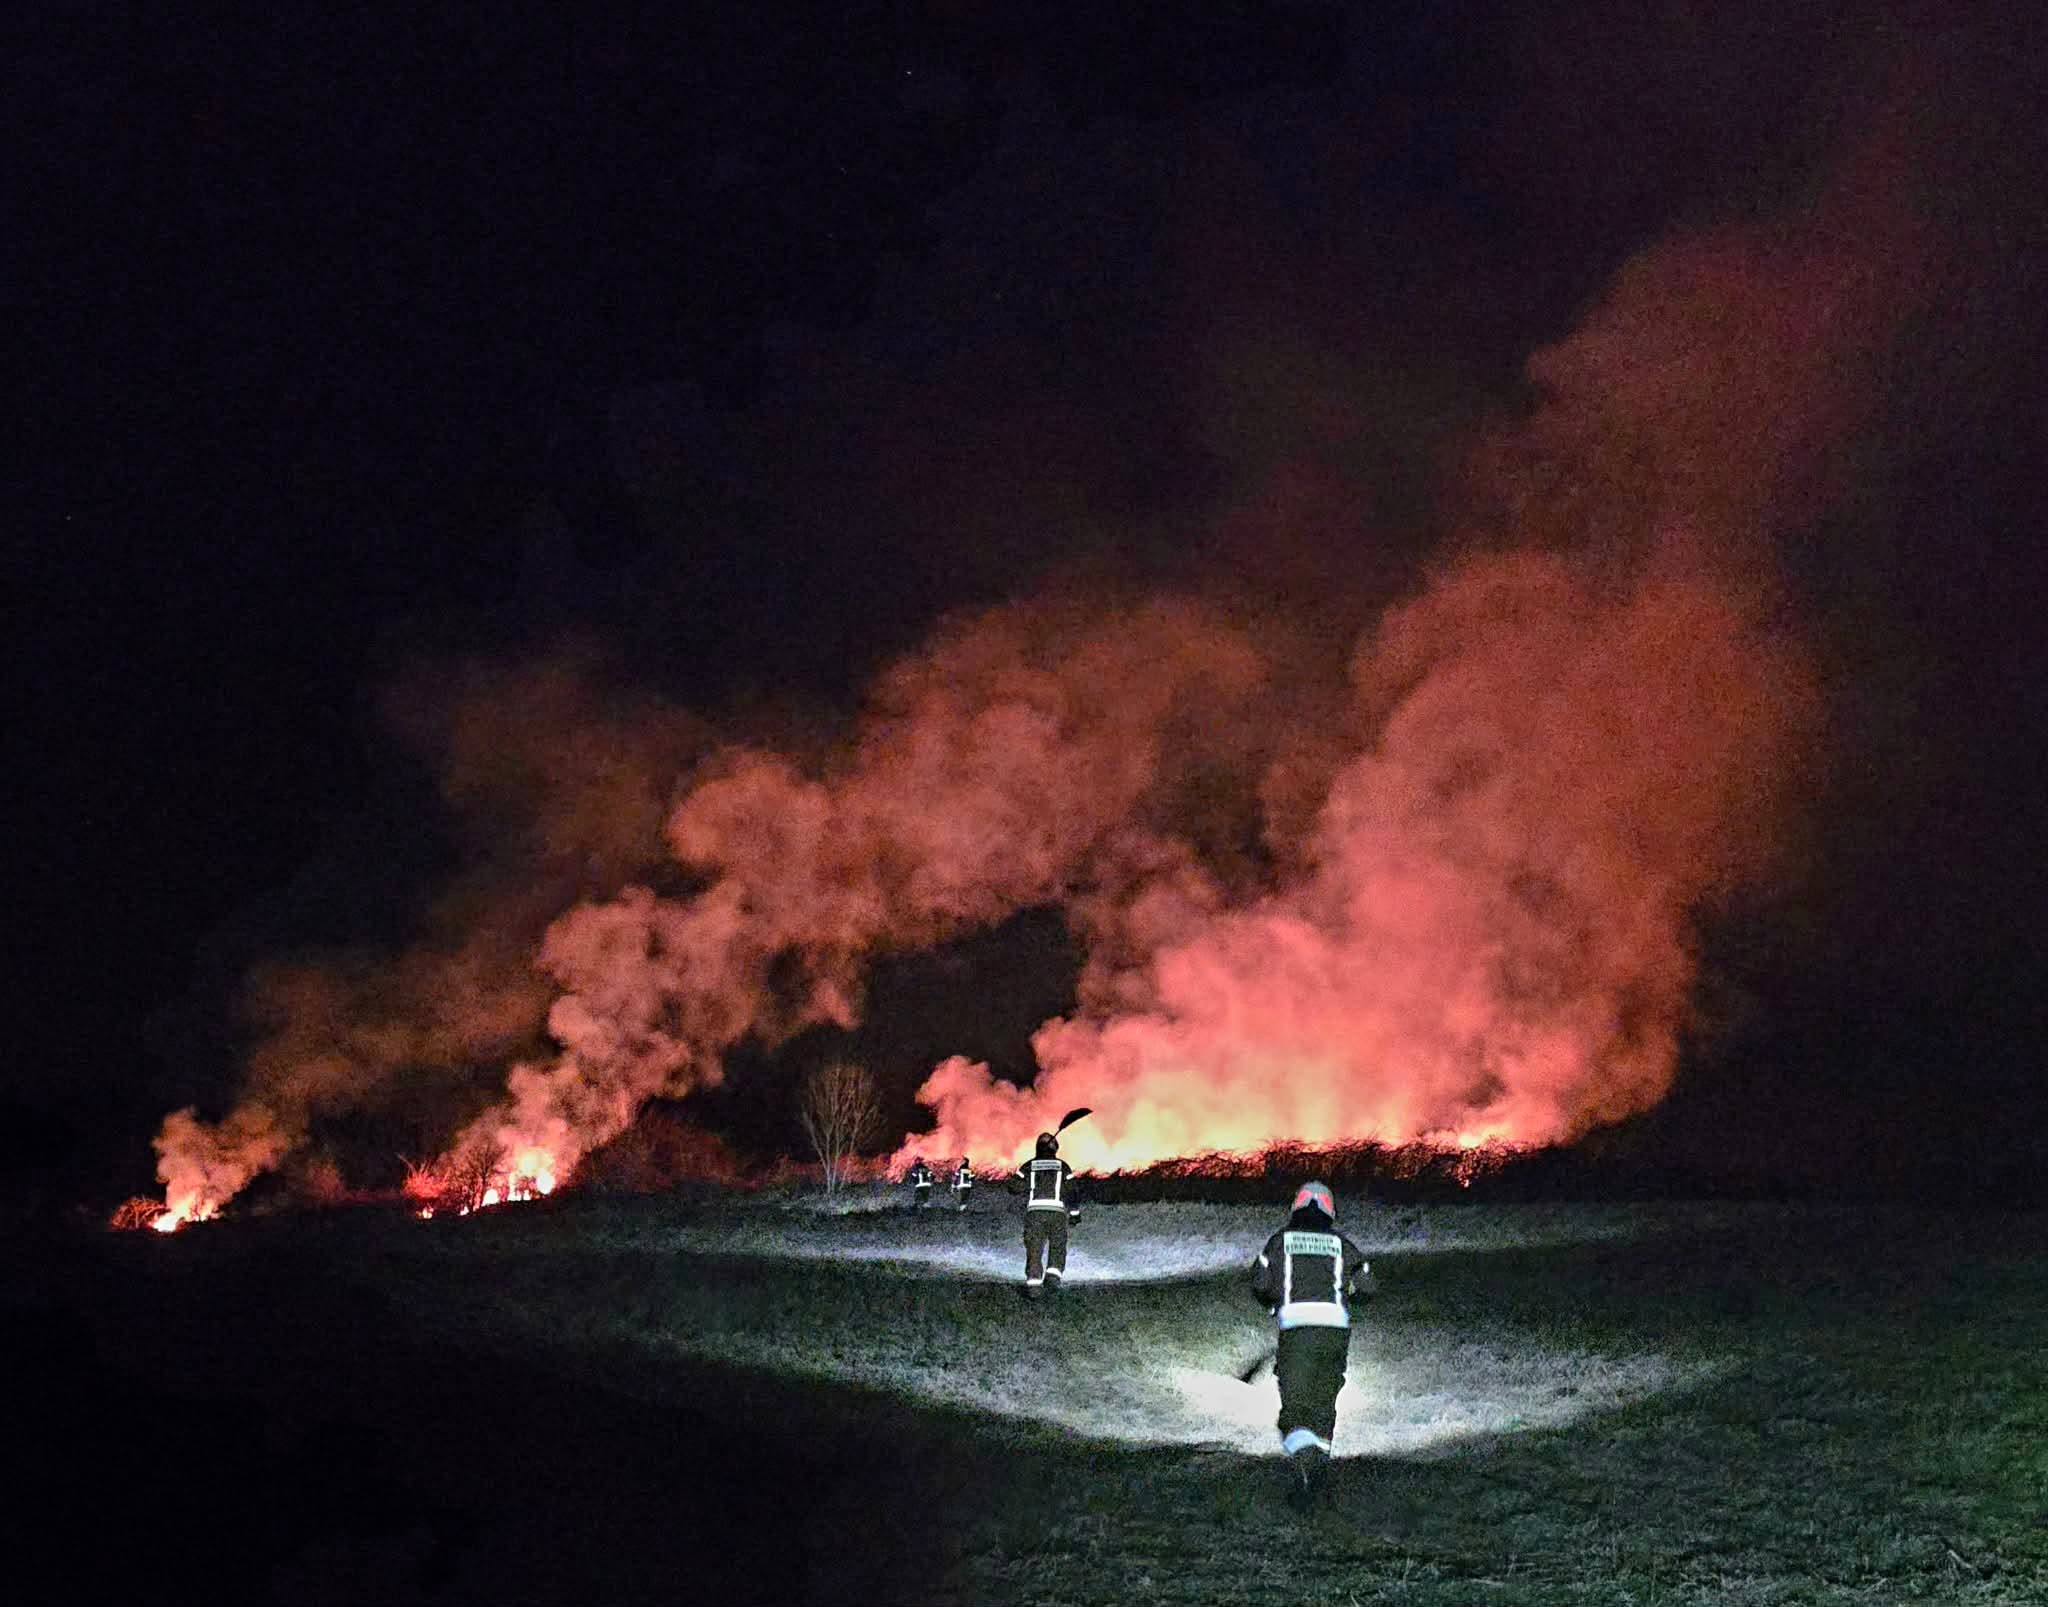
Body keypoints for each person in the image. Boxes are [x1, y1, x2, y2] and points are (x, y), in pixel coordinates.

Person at [1249, 1181, 1372, 1506]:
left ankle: (1306, 1463)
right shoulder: (1342, 1244)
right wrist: (1347, 1296)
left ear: (1297, 1206)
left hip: (1298, 1332)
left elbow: (1259, 1283)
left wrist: (1274, 1304)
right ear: (1330, 1209)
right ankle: (1319, 1471)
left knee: (1294, 1410)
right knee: (1323, 1404)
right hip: (1335, 1334)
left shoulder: (1281, 1241)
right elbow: (1369, 1285)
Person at [1012, 1131, 1078, 1295]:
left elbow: (1013, 1187)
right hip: (1057, 1214)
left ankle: (1034, 1285)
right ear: (1055, 1148)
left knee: (1034, 1247)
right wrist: (1075, 1212)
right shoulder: (1063, 1166)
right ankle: (1053, 1277)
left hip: (1035, 1214)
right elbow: (1072, 1192)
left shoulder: (1029, 1165)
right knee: (1058, 1245)